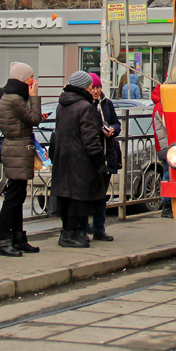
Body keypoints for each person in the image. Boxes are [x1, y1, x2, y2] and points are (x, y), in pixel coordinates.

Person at [50, 71, 107, 247]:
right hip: (80, 160)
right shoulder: (84, 106)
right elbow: (90, 138)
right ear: (84, 87)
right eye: (90, 86)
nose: (92, 89)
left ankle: (66, 233)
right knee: (78, 200)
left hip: (63, 157)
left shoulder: (62, 105)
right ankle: (70, 235)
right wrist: (99, 161)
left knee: (67, 198)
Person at [0, 61, 44, 257]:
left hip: (17, 148)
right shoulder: (16, 99)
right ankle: (5, 241)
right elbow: (34, 118)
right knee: (13, 198)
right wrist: (34, 98)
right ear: (24, 79)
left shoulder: (11, 97)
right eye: (31, 77)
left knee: (18, 195)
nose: (34, 80)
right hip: (17, 149)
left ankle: (17, 238)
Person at [77, 72, 121, 241]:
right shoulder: (85, 105)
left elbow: (117, 123)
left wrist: (112, 130)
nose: (95, 91)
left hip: (106, 153)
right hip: (90, 158)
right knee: (88, 194)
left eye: (98, 87)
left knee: (102, 195)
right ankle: (83, 227)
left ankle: (99, 229)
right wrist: (100, 130)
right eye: (93, 87)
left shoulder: (107, 104)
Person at [151, 82, 171, 216]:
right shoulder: (162, 107)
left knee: (168, 174)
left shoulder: (159, 106)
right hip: (167, 146)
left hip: (163, 146)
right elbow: (169, 125)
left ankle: (167, 205)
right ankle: (166, 205)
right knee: (168, 175)